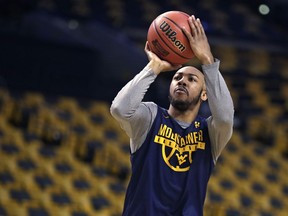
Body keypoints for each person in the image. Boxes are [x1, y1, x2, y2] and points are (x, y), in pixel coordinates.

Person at [110, 15, 234, 216]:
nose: (182, 81)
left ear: (205, 94)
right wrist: (153, 68)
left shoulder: (210, 132)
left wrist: (207, 61)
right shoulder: (150, 118)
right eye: (177, 77)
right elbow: (120, 109)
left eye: (192, 79)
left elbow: (226, 118)